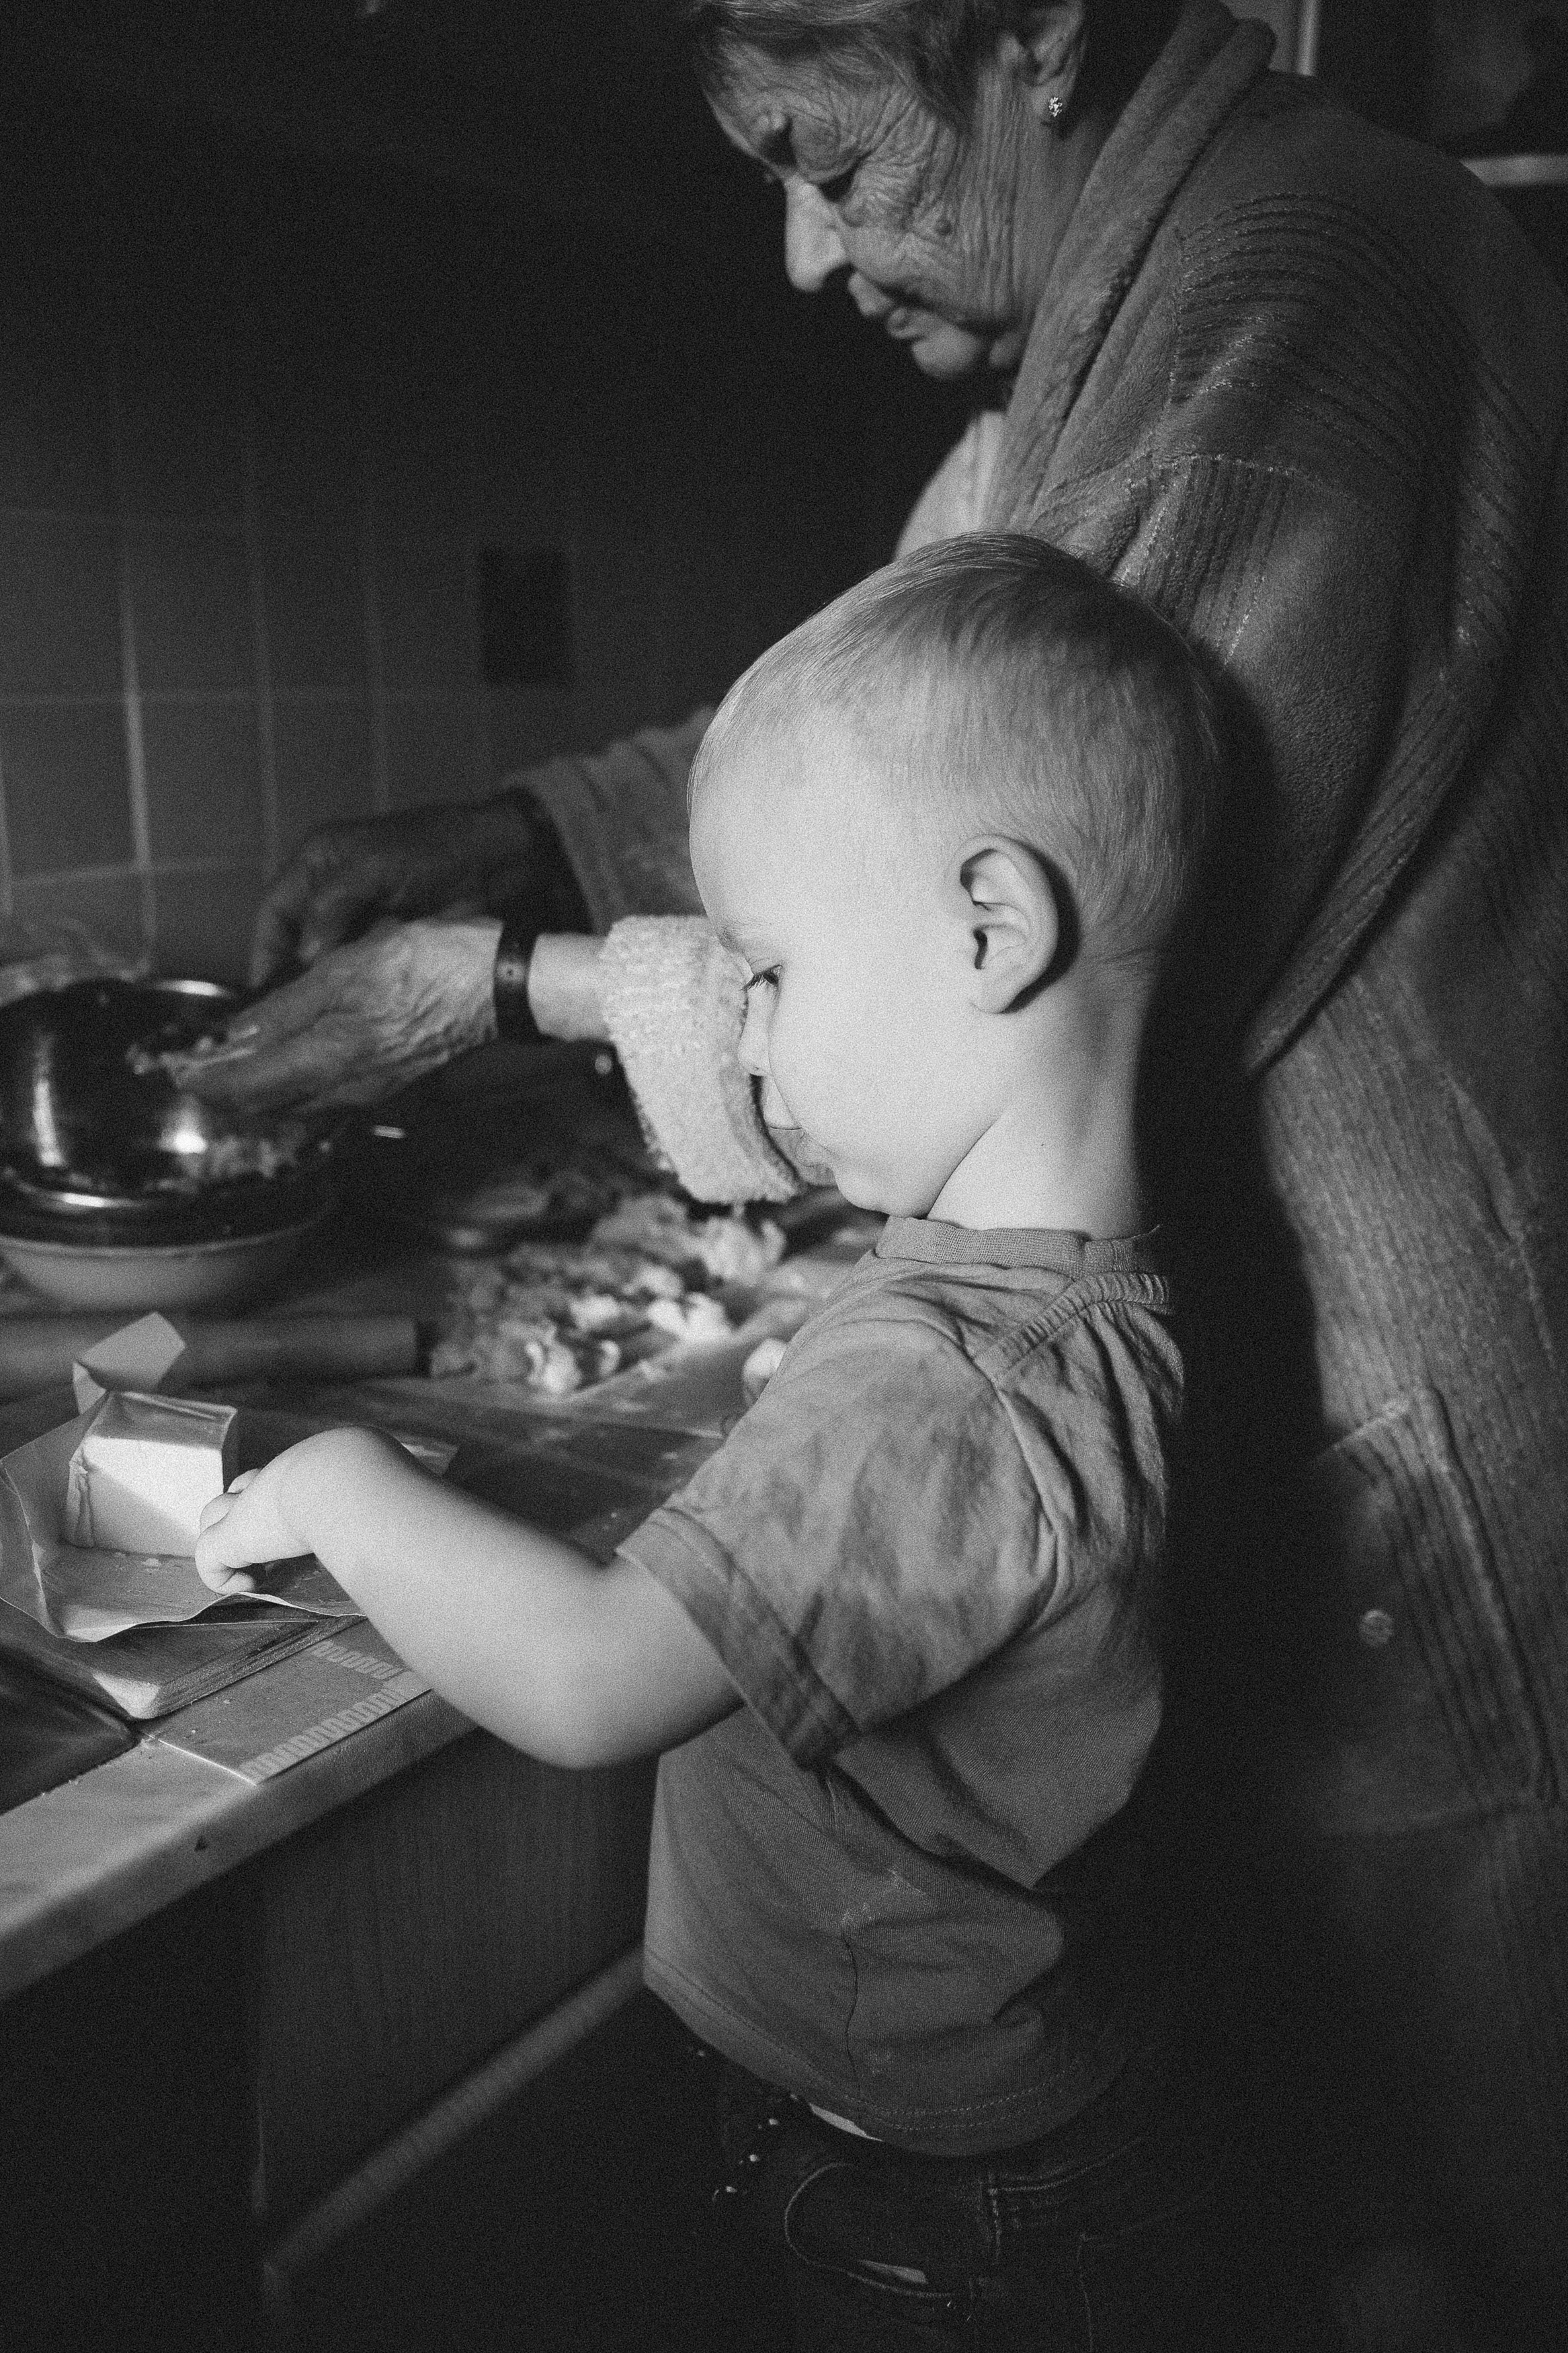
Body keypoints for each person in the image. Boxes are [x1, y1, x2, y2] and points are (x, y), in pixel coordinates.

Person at [180, 1, 1568, 2336]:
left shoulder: (1300, 281)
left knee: (1457, 2183)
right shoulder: (1057, 396)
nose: (812, 259)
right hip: (1051, 2117)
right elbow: (856, 765)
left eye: (831, 155)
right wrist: (526, 848)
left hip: (1417, 1522)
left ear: (1030, 34)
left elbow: (995, 857)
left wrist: (491, 1018)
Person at [195, 536, 1235, 2350]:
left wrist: (343, 1487)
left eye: (763, 970)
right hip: (1003, 2133)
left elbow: (595, 1679)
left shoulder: (942, 1386)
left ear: (992, 928)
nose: (738, 1046)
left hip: (924, 2207)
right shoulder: (1083, 1291)